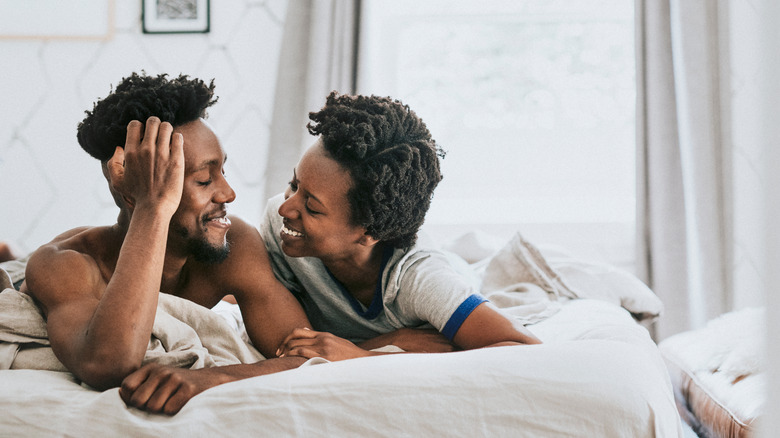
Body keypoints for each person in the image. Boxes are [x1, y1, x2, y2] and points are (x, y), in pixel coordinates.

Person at [19, 73, 311, 414]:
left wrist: (215, 378)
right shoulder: (63, 264)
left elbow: (308, 354)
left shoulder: (236, 243)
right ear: (130, 188)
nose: (228, 193)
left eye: (222, 172)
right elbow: (108, 364)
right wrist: (152, 206)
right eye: (204, 179)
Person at [264, 92, 541, 361]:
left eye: (312, 207)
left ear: (369, 232)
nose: (285, 207)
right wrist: (387, 342)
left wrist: (363, 356)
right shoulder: (281, 226)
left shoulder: (422, 281)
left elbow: (525, 348)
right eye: (294, 184)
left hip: (454, 273)